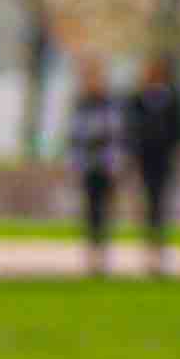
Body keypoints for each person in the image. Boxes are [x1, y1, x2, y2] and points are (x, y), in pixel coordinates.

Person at [116, 57, 180, 269]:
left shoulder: (171, 99)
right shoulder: (138, 99)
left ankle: (157, 246)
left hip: (163, 158)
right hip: (144, 158)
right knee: (148, 201)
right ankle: (150, 245)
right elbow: (129, 128)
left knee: (159, 201)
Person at [71, 56, 128, 270]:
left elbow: (115, 135)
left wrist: (115, 163)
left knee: (104, 209)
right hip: (89, 164)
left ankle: (102, 252)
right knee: (90, 210)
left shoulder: (108, 104)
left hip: (105, 164)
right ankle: (92, 253)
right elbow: (76, 136)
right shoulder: (81, 105)